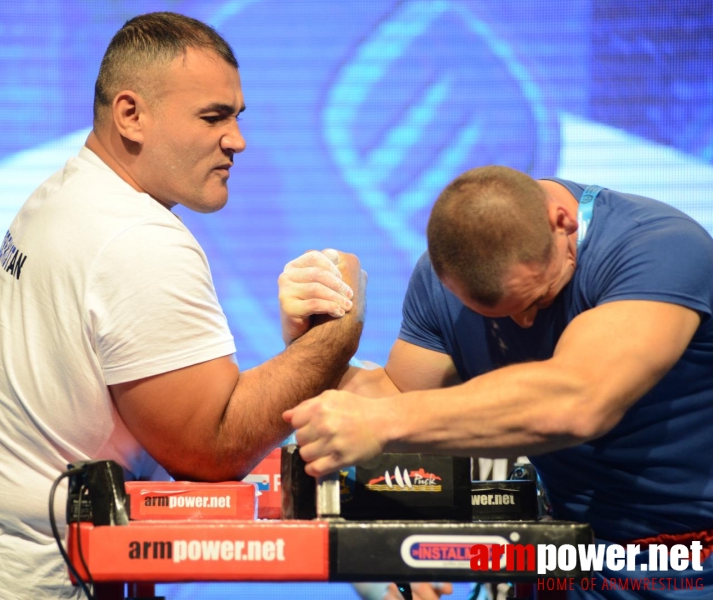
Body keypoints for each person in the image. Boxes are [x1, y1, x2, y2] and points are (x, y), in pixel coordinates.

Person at [0, 12, 366, 600]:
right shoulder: (137, 240)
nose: (237, 139)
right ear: (131, 115)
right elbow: (211, 450)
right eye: (214, 117)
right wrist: (338, 329)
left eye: (236, 116)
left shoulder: (70, 189)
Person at [285, 165, 713, 598]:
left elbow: (579, 400)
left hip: (689, 560)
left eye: (538, 299)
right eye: (495, 315)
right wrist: (313, 340)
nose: (523, 323)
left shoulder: (658, 248)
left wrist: (382, 422)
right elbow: (394, 398)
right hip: (562, 556)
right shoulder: (443, 276)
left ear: (562, 222)